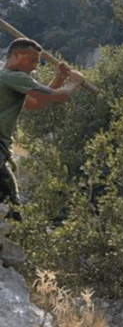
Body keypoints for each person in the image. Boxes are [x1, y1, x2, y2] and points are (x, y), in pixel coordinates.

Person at [0, 38, 84, 218]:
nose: (35, 66)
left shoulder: (6, 79)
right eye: (32, 60)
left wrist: (59, 78)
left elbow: (36, 102)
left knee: (11, 205)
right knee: (12, 209)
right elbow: (58, 97)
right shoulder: (15, 77)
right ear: (17, 56)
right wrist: (75, 81)